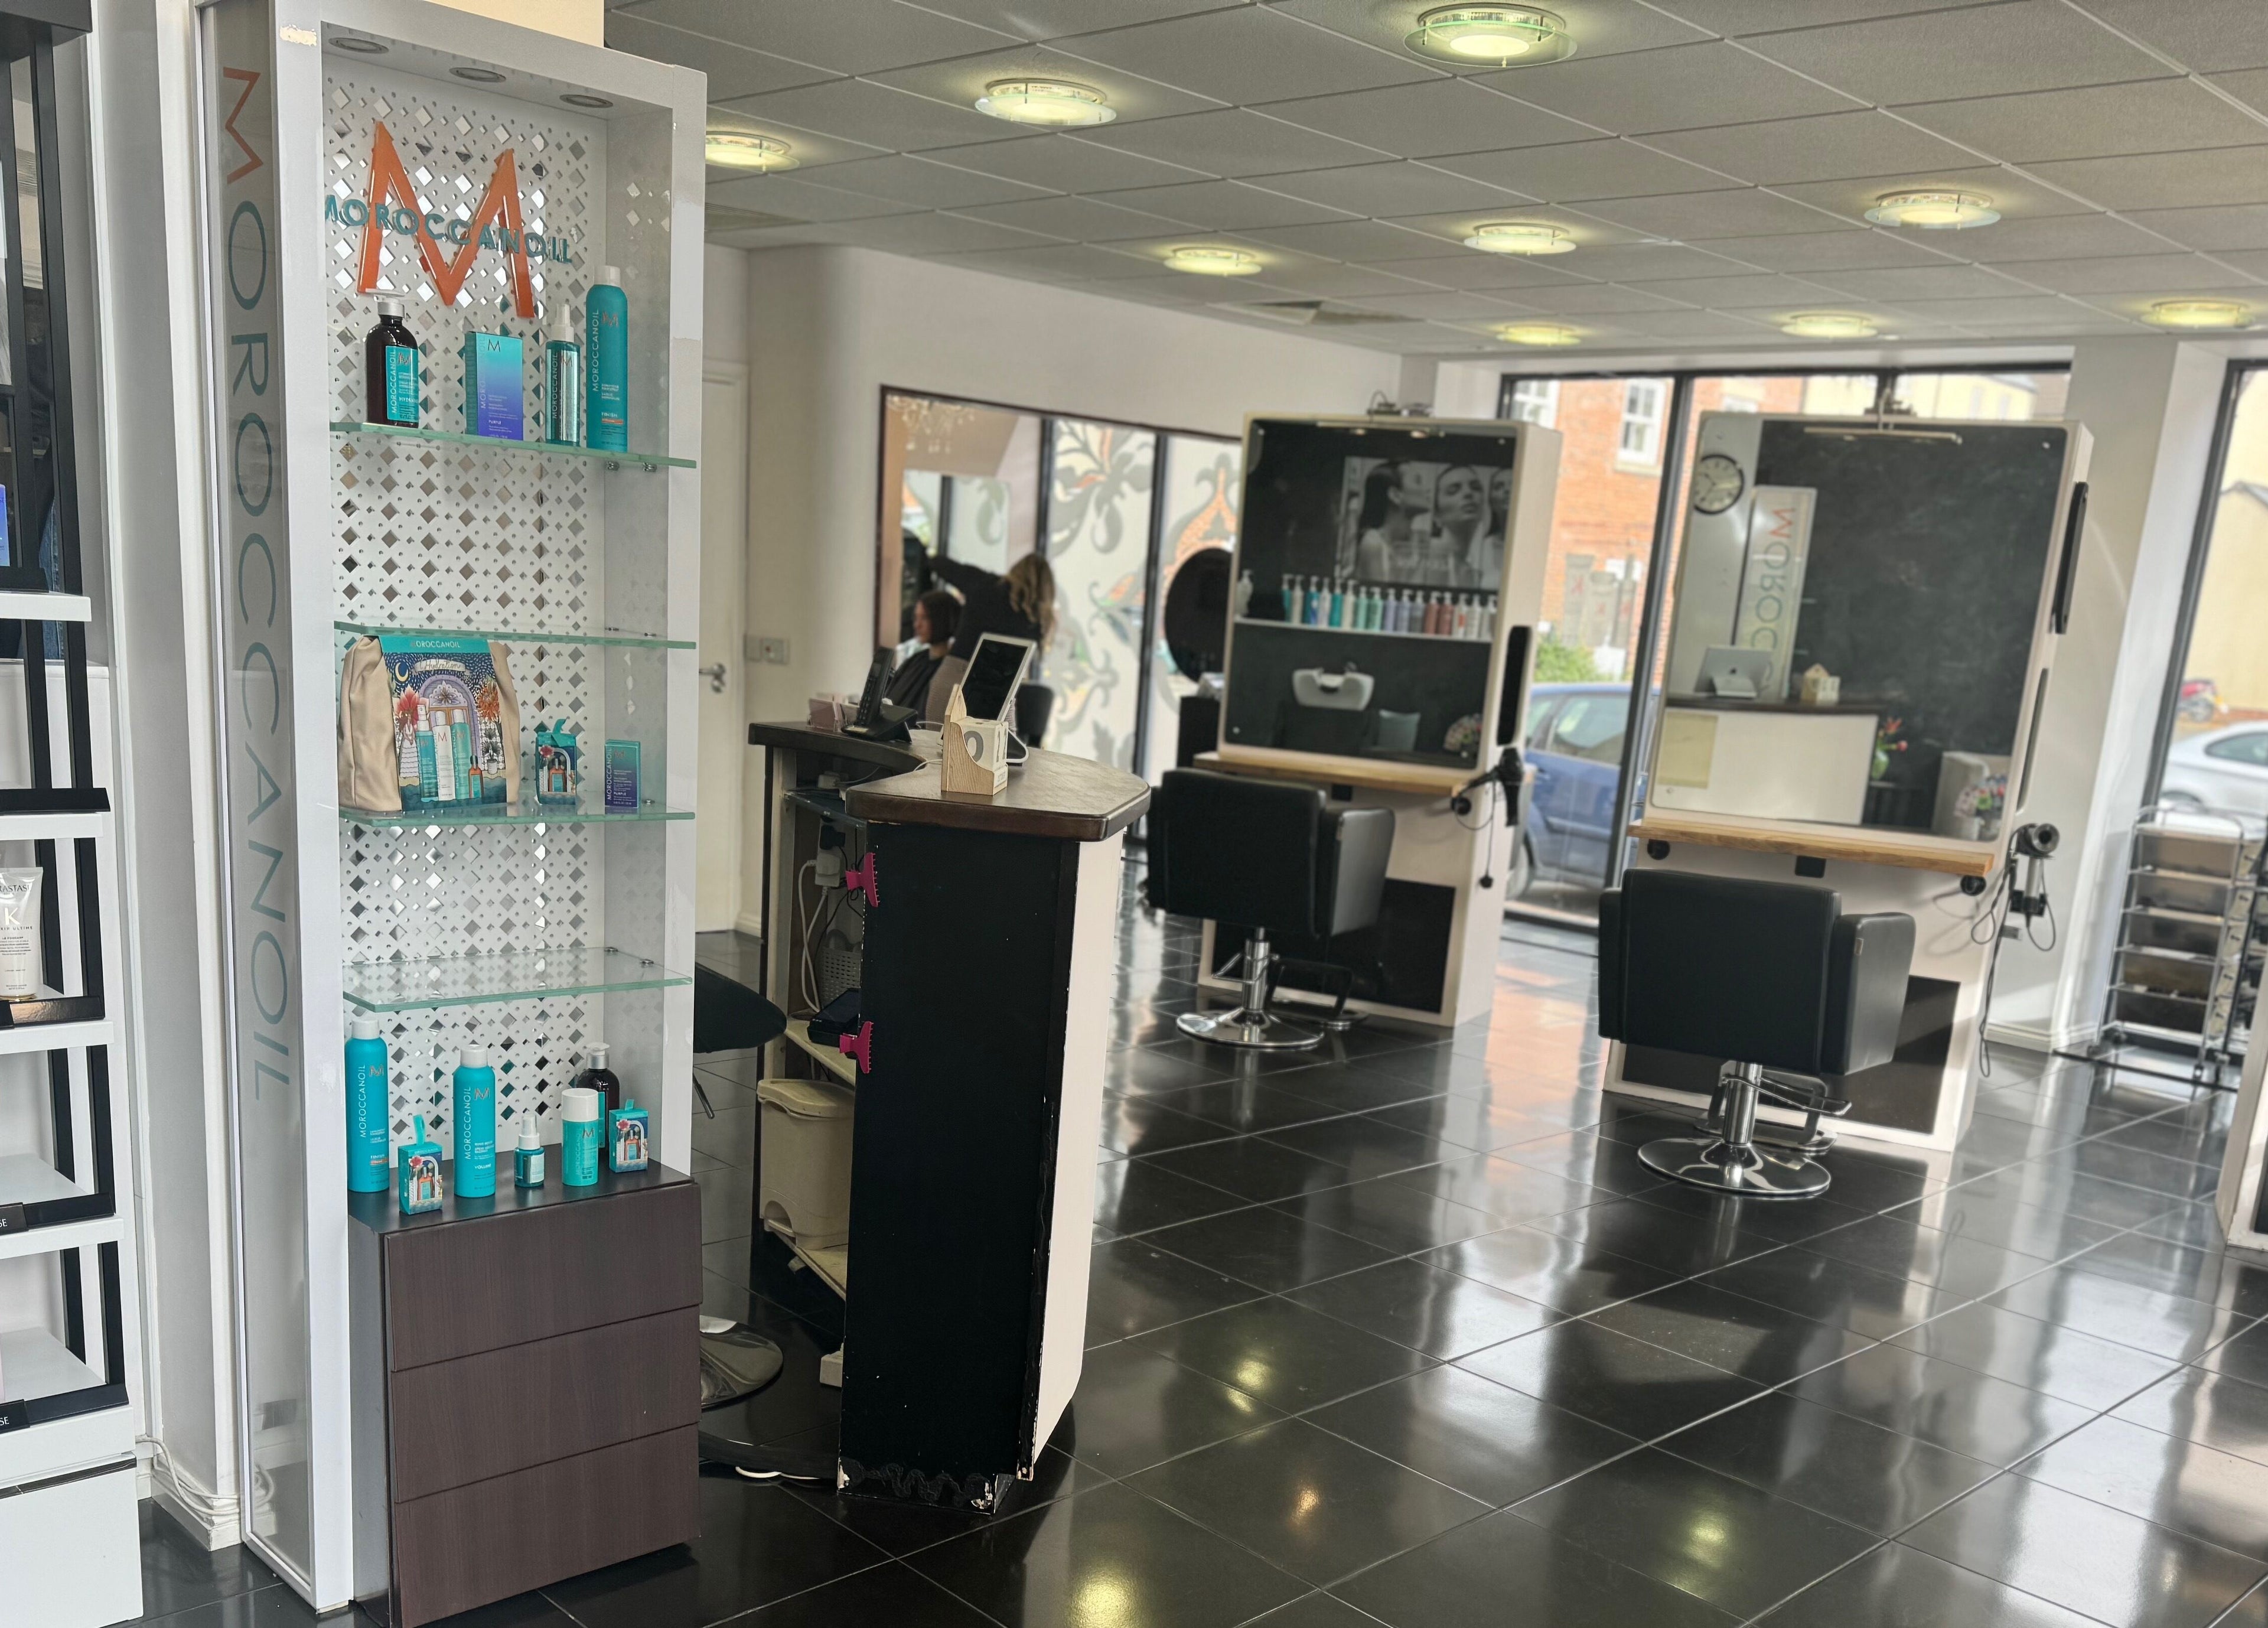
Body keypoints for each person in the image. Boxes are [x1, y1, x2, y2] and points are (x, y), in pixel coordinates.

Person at [924, 552, 1056, 721]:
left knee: (935, 743)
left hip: (953, 678)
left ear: (1016, 570)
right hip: (999, 692)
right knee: (999, 747)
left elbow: (941, 565)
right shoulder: (1037, 619)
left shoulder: (985, 583)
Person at [1354, 462, 1432, 582]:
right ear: (1396, 495)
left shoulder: (1422, 541)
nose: (1428, 489)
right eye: (1418, 481)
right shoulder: (1373, 543)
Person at [885, 589, 959, 712]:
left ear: (942, 620)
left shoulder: (951, 671)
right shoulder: (914, 661)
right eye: (916, 618)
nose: (917, 625)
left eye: (924, 618)